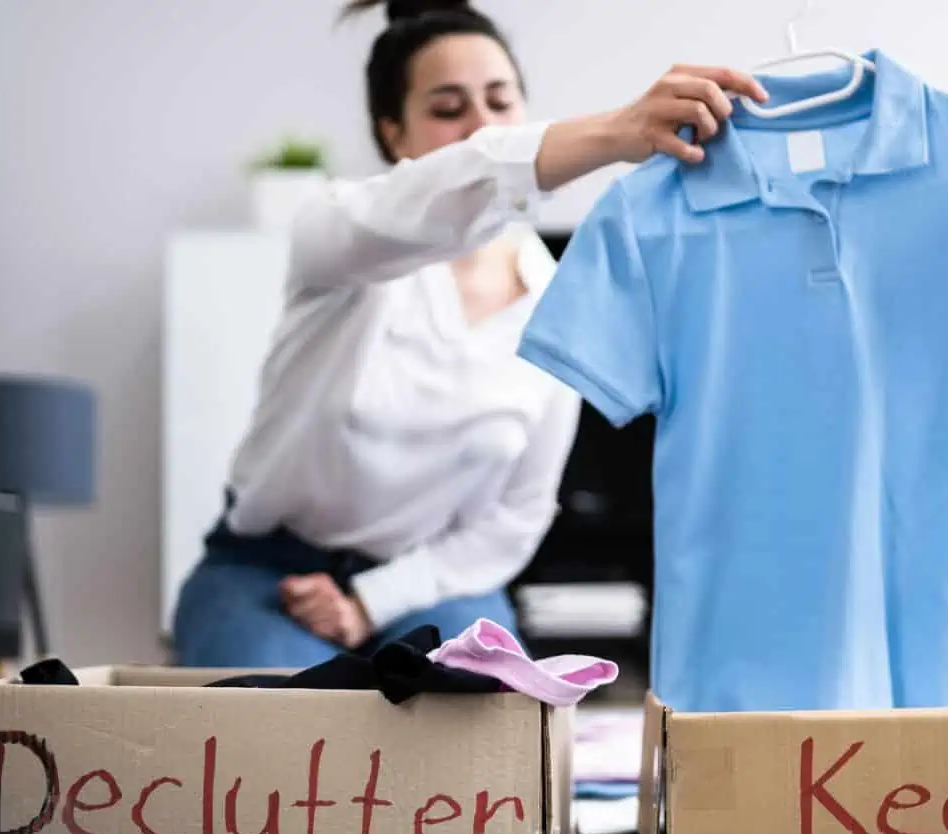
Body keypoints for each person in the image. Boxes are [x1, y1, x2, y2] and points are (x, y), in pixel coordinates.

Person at [171, 0, 768, 668]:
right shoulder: (339, 234)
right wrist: (614, 131)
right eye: (449, 108)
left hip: (428, 585)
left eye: (500, 101)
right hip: (265, 571)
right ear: (392, 133)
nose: (484, 127)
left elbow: (514, 517)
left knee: (487, 714)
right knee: (276, 730)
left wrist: (369, 601)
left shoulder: (558, 300)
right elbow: (461, 185)